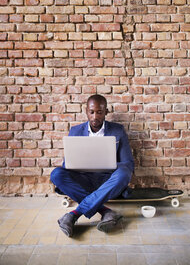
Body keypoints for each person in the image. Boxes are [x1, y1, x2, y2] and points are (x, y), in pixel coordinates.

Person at [50, 94, 134, 237]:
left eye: (100, 112)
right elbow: (67, 164)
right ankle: (105, 211)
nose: (95, 116)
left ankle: (73, 215)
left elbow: (128, 164)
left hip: (108, 182)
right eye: (92, 112)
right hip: (83, 180)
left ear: (106, 112)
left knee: (124, 173)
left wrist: (109, 164)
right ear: (86, 111)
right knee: (56, 174)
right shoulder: (75, 131)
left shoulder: (117, 131)